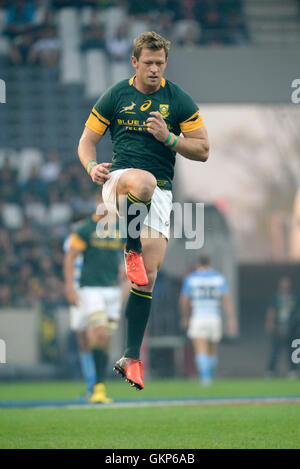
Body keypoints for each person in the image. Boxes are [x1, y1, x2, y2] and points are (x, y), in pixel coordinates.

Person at [77, 31, 209, 390]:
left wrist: (169, 138)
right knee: (143, 182)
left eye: (160, 63)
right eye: (148, 62)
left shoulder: (177, 99)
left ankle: (130, 357)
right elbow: (87, 141)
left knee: (146, 278)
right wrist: (92, 167)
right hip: (120, 182)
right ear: (134, 62)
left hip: (161, 195)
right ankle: (130, 247)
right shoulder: (117, 95)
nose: (154, 69)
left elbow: (203, 149)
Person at [64, 194, 126, 403]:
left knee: (105, 339)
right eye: (100, 201)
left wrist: (127, 272)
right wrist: (70, 289)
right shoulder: (86, 228)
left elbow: (130, 253)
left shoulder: (119, 229)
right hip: (91, 289)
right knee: (98, 333)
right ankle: (97, 386)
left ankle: (98, 386)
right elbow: (70, 256)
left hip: (112, 291)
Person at [179, 255, 237, 385]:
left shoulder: (191, 279)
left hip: (198, 317)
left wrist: (185, 317)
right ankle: (209, 376)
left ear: (197, 264)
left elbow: (184, 300)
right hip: (214, 317)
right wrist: (231, 319)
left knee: (200, 349)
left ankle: (206, 379)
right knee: (212, 350)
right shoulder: (218, 278)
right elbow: (226, 299)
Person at [265, 276, 300, 378]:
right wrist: (269, 323)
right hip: (279, 326)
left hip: (292, 327)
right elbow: (271, 310)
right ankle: (270, 371)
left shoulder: (295, 297)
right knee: (275, 350)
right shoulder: (276, 297)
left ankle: (293, 371)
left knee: (293, 349)